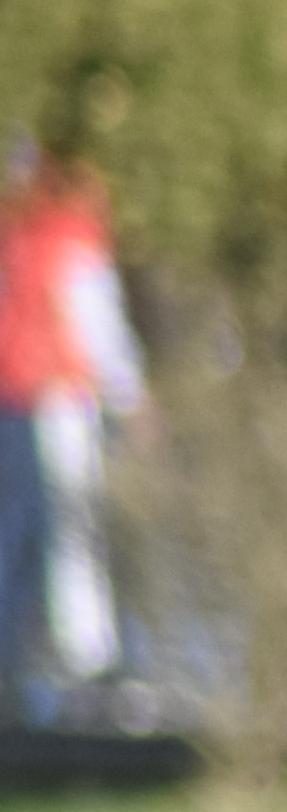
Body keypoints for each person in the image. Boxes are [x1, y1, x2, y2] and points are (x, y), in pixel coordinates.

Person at [0, 137, 151, 700]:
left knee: (20, 532)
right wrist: (131, 395)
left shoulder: (17, 236)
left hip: (15, 395)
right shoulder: (68, 237)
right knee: (74, 525)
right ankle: (89, 654)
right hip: (61, 395)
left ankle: (16, 655)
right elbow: (97, 322)